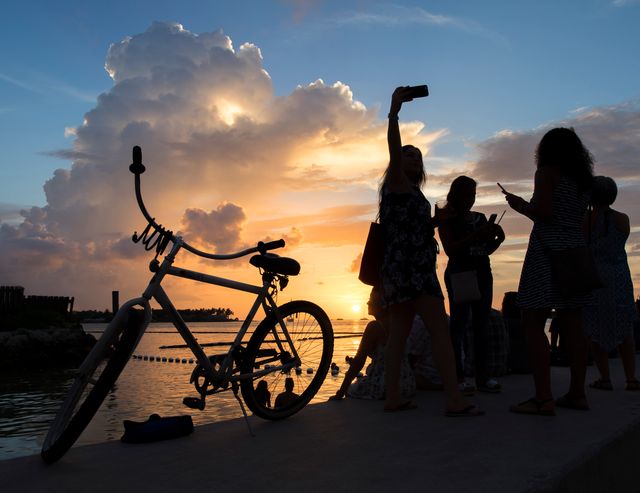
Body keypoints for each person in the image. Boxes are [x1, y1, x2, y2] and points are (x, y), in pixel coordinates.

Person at [379, 86, 481, 416]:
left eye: (418, 156)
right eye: (409, 154)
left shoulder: (411, 192)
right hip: (413, 270)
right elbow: (393, 149)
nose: (412, 157)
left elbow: (412, 229)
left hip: (404, 267)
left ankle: (392, 397)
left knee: (400, 335)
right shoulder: (395, 180)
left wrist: (437, 222)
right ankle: (453, 398)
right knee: (437, 331)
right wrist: (394, 112)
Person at [504, 127, 594, 415]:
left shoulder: (546, 174)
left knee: (531, 321)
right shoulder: (583, 181)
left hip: (546, 252)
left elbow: (544, 213)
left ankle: (543, 398)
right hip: (575, 252)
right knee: (573, 325)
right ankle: (577, 394)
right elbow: (577, 220)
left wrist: (521, 206)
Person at [438, 176, 505, 394]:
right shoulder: (447, 219)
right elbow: (451, 249)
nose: (471, 199)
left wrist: (497, 240)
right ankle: (458, 377)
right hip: (460, 273)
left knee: (481, 325)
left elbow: (484, 251)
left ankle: (482, 377)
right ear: (457, 196)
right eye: (467, 195)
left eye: (474, 195)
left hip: (483, 272)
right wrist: (476, 235)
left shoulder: (481, 218)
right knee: (458, 325)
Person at [582, 176, 639, 391]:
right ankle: (631, 378)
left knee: (595, 328)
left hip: (595, 277)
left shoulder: (586, 219)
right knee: (625, 328)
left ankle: (605, 378)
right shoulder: (622, 219)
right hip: (619, 277)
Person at [329, 287, 416, 400]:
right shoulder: (401, 323)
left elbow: (359, 362)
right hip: (407, 384)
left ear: (384, 304)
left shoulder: (374, 327)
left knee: (352, 389)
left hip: (385, 385)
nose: (368, 302)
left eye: (372, 299)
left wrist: (341, 392)